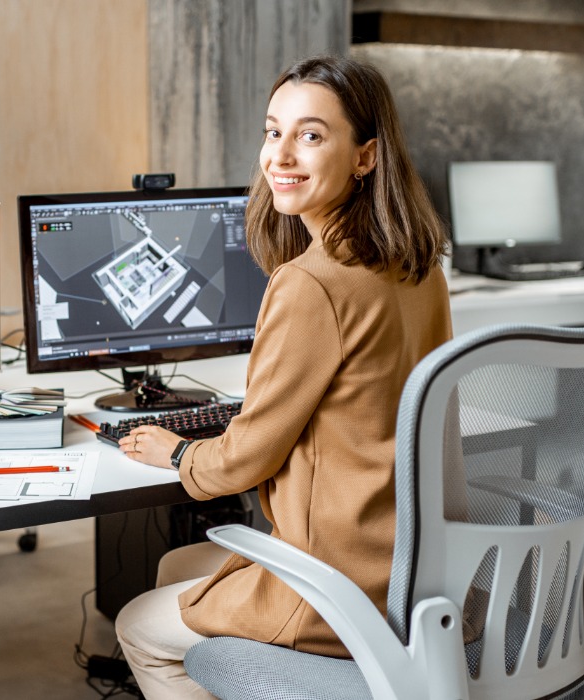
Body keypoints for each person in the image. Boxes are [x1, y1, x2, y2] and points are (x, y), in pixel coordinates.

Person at [113, 54, 453, 698]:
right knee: (176, 565)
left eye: (312, 135)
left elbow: (245, 460)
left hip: (341, 581)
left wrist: (178, 449)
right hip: (416, 566)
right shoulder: (419, 265)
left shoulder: (310, 282)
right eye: (275, 132)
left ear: (365, 156)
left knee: (137, 625)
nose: (282, 156)